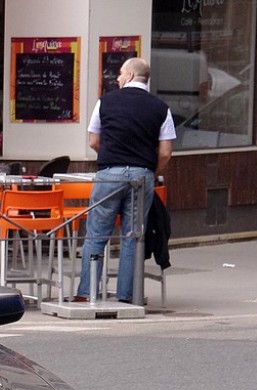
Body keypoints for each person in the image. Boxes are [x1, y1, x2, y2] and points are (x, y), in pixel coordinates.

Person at [74, 56, 175, 304]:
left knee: (96, 233)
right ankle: (127, 296)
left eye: (120, 73)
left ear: (129, 75)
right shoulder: (161, 108)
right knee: (133, 236)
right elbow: (165, 152)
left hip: (109, 174)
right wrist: (151, 171)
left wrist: (114, 161)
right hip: (142, 176)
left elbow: (93, 141)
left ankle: (87, 293)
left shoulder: (105, 102)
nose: (117, 78)